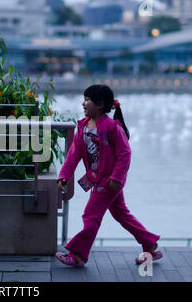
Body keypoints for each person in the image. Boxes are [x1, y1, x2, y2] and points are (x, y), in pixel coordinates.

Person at [56, 84, 162, 267]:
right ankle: (149, 243)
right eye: (84, 99)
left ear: (100, 104)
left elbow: (124, 153)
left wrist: (117, 177)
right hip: (97, 179)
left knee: (90, 217)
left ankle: (78, 255)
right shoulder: (82, 126)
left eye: (87, 99)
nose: (83, 103)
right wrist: (64, 176)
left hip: (109, 182)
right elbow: (74, 154)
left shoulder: (112, 127)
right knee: (122, 214)